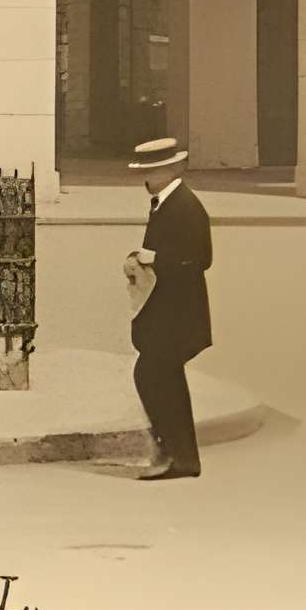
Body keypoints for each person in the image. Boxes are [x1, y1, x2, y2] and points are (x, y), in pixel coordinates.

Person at [124, 135, 213, 481]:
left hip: (177, 314)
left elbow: (201, 259)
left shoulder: (184, 205)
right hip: (169, 312)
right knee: (163, 378)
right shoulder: (165, 201)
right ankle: (179, 455)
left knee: (152, 375)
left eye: (152, 170)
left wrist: (155, 257)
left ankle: (176, 454)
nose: (146, 177)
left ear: (171, 169)